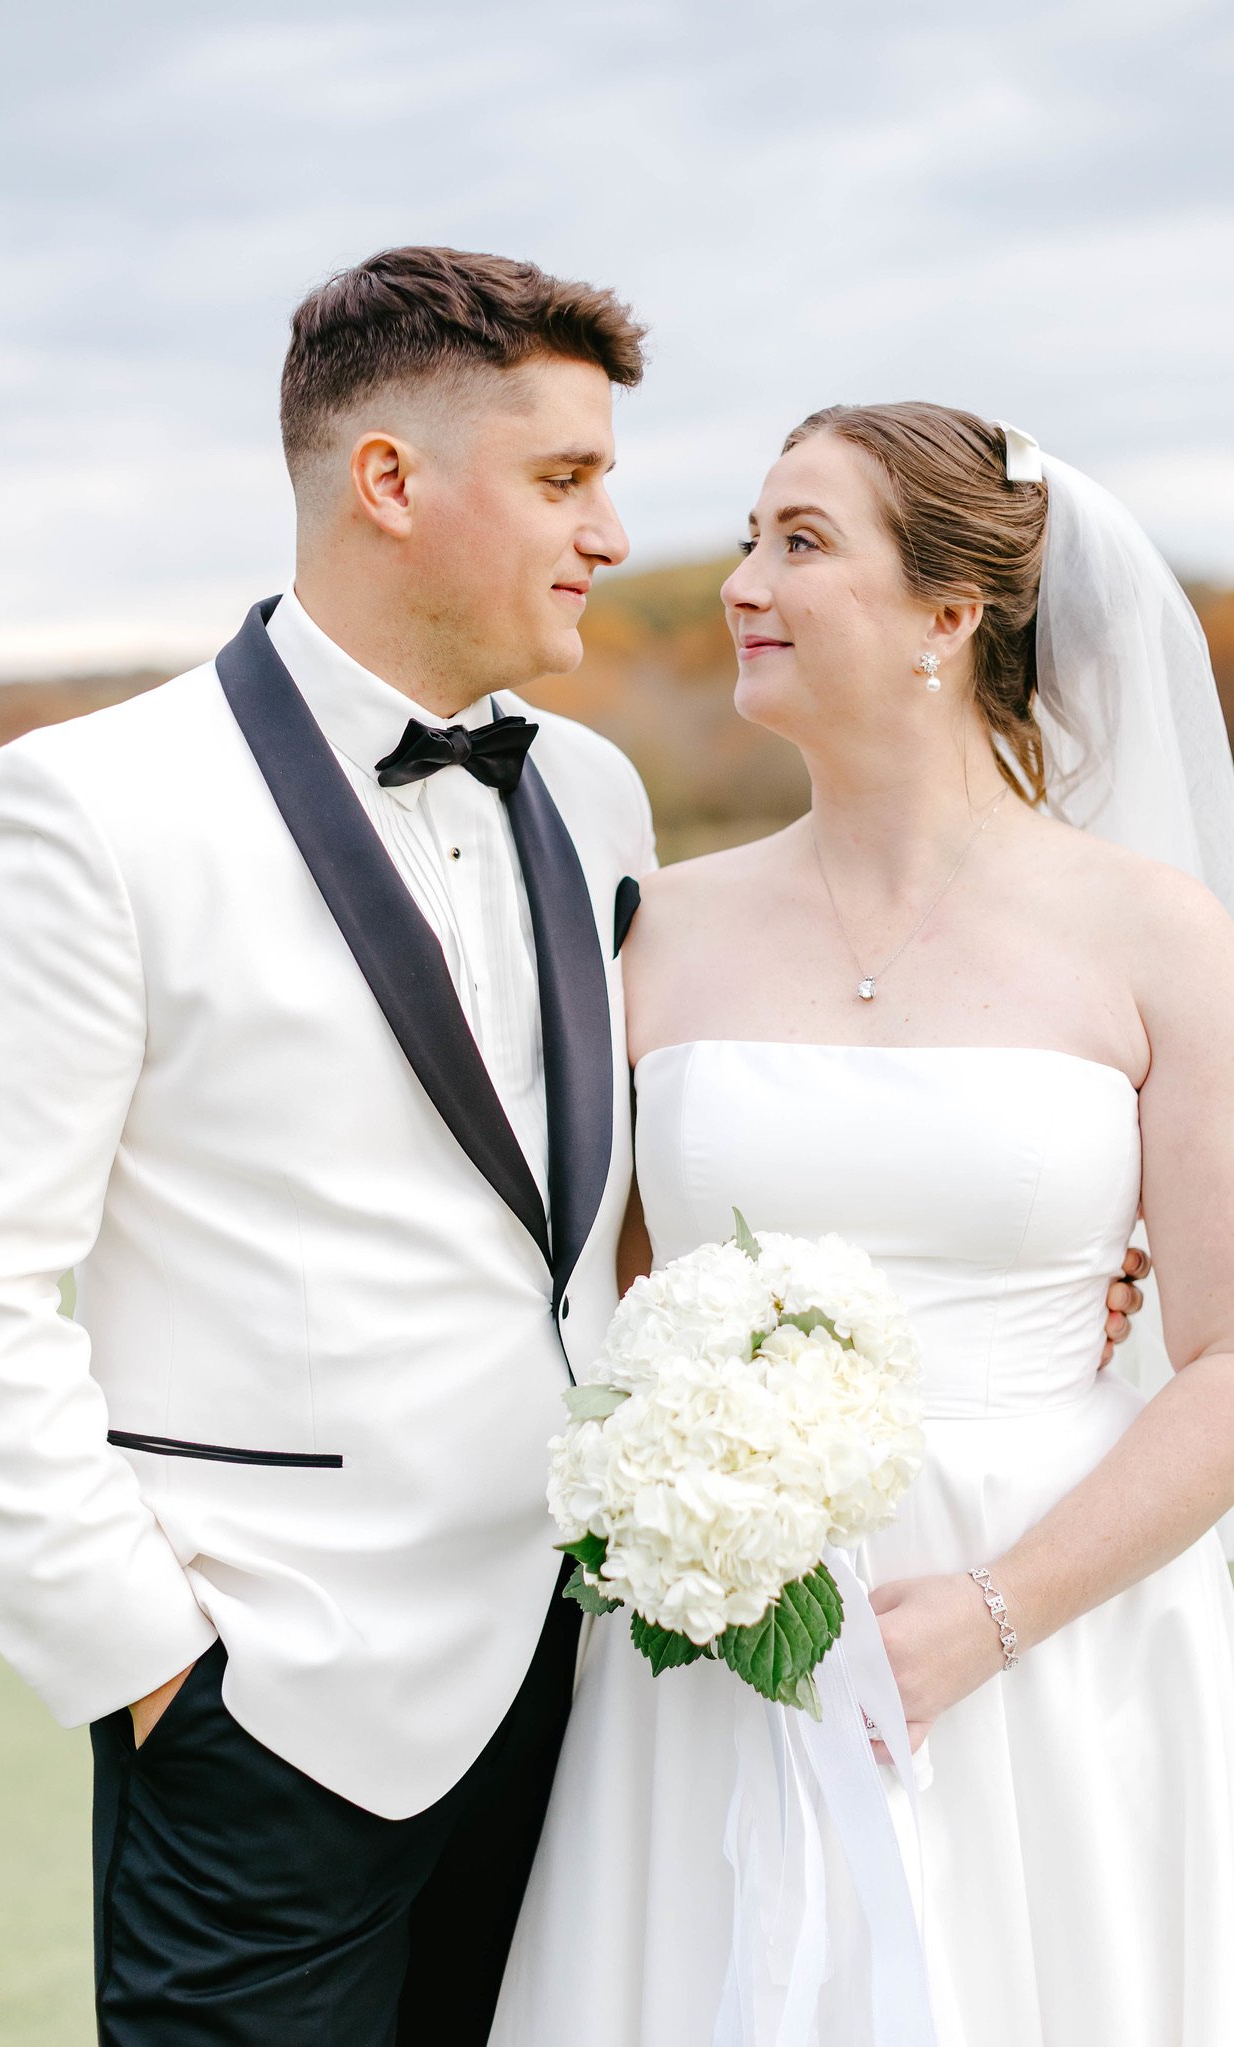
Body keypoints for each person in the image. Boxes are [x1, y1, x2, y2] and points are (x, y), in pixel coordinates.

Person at [0, 246, 657, 2045]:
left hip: (583, 1698)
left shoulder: (600, 796)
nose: (610, 530)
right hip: (267, 1706)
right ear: (388, 481)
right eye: (563, 478)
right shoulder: (89, 808)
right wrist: (142, 1661)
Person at [491, 404, 1234, 2047]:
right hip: (720, 1632)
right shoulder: (658, 930)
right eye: (751, 536)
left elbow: (1229, 1358)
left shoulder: (1157, 939)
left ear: (951, 615)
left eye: (801, 542)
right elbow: (592, 1292)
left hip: (1053, 1636)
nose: (741, 580)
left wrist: (994, 1612)